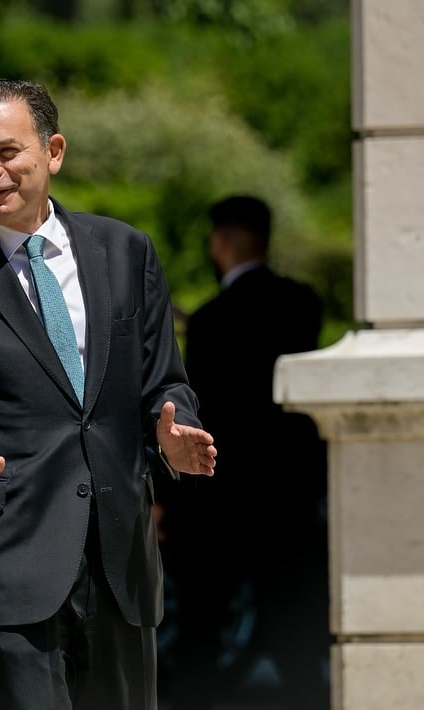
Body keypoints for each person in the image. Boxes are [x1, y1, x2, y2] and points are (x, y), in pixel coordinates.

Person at [0, 78, 217, 710]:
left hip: (121, 566)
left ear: (52, 151)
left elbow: (164, 382)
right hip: (10, 566)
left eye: (6, 152)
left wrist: (171, 431)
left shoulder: (126, 253)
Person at [161, 195, 329, 709]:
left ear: (222, 242)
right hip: (289, 495)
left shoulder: (213, 320)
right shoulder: (303, 303)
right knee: (295, 632)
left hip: (223, 501)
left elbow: (204, 410)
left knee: (201, 629)